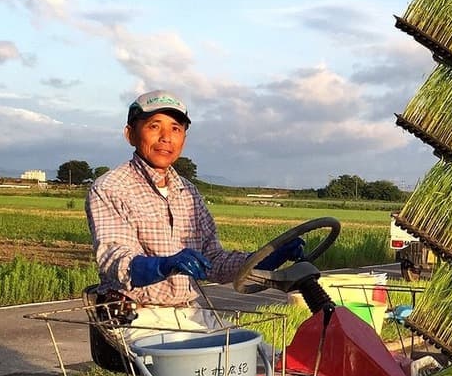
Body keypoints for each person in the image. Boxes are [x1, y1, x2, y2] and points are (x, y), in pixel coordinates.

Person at [86, 89, 302, 308]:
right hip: (133, 314)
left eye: (176, 129)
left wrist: (263, 258)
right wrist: (163, 266)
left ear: (184, 138)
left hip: (187, 311)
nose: (166, 137)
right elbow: (114, 259)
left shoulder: (187, 192)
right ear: (130, 134)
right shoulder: (110, 187)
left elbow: (213, 260)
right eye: (154, 126)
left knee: (257, 344)